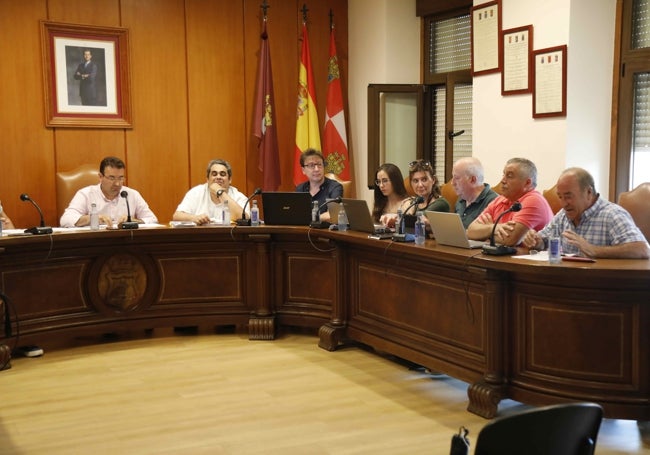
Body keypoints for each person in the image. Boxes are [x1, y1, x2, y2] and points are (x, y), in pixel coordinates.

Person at [522, 167, 649, 259]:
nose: (564, 203)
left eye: (568, 196)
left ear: (588, 192)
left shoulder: (612, 214)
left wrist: (595, 250)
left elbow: (642, 249)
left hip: (604, 287)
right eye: (560, 197)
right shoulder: (563, 215)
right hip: (569, 282)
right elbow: (543, 239)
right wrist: (536, 241)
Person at [467, 157, 553, 247]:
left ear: (527, 183)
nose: (502, 181)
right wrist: (493, 227)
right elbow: (470, 232)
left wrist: (484, 233)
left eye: (509, 176)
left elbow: (509, 240)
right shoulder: (500, 200)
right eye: (503, 175)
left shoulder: (534, 200)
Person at [60, 156, 158, 228]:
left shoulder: (131, 194)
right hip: (93, 243)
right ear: (100, 177)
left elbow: (153, 220)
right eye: (112, 178)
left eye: (121, 178)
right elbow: (65, 220)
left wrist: (134, 221)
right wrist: (93, 218)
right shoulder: (86, 194)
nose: (117, 184)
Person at [173, 159, 250, 225]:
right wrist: (194, 218)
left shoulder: (239, 197)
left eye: (222, 174)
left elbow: (244, 219)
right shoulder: (196, 193)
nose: (218, 177)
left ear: (230, 180)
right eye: (214, 174)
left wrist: (219, 192)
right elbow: (177, 216)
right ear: (207, 179)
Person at [295, 149, 343, 223]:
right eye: (311, 165)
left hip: (326, 232)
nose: (317, 169)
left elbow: (332, 215)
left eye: (319, 164)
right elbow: (296, 214)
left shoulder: (335, 187)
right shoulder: (300, 189)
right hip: (303, 231)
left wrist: (310, 219)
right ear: (303, 170)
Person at [451, 157, 498, 228]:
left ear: (473, 180)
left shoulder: (494, 202)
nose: (452, 183)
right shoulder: (461, 199)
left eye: (457, 178)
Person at [372, 163, 410, 228]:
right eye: (378, 181)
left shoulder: (408, 203)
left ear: (395, 181)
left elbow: (408, 224)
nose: (381, 185)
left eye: (385, 181)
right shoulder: (380, 203)